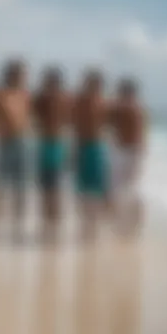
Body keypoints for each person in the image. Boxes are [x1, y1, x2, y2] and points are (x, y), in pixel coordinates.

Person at [0, 59, 31, 238]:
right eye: (19, 74)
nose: (22, 77)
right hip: (4, 143)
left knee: (20, 187)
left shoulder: (25, 95)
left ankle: (17, 227)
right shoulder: (1, 94)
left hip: (20, 142)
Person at [72, 69, 110, 243]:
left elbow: (107, 126)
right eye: (92, 83)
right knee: (83, 188)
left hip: (97, 146)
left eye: (97, 83)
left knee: (97, 188)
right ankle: (86, 226)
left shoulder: (103, 102)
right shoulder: (81, 101)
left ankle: (94, 227)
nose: (95, 86)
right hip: (84, 146)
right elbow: (76, 125)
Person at [33, 67, 70, 239]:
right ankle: (47, 225)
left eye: (52, 80)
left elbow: (69, 122)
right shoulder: (42, 98)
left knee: (54, 187)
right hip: (45, 144)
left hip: (56, 144)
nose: (50, 84)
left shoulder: (63, 99)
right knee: (46, 186)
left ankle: (53, 225)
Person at [109, 78, 146, 237]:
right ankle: (129, 223)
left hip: (128, 151)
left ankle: (130, 223)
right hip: (128, 151)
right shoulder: (136, 108)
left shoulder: (130, 108)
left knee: (124, 188)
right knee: (126, 188)